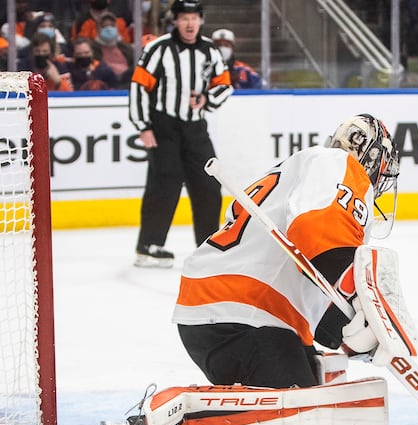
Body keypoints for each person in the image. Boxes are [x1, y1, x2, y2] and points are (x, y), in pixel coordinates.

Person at [173, 113, 400, 389]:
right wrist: (358, 298)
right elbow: (317, 232)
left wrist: (345, 327)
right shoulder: (339, 164)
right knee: (306, 417)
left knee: (313, 386)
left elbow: (310, 269)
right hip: (245, 315)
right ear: (371, 157)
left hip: (223, 309)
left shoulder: (302, 169)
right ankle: (168, 420)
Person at [129, 0, 232, 268]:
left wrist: (206, 99)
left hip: (195, 128)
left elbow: (224, 85)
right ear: (175, 20)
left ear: (201, 20)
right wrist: (144, 126)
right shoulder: (158, 49)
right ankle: (149, 246)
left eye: (194, 17)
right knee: (164, 183)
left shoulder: (210, 50)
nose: (189, 23)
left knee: (209, 184)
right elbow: (139, 86)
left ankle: (208, 246)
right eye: (184, 17)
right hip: (164, 128)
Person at [94, 10, 134, 88]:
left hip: (127, 82)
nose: (109, 29)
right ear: (98, 29)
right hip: (107, 83)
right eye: (104, 26)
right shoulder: (93, 48)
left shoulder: (126, 47)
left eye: (112, 26)